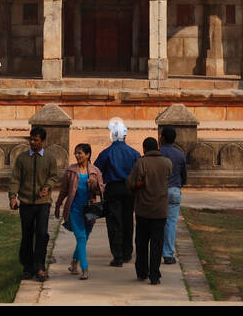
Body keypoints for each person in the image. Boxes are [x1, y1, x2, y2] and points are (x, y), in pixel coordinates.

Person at [9, 126, 59, 282]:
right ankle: (27, 267)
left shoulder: (50, 158)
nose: (32, 142)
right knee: (27, 236)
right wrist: (12, 196)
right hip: (25, 203)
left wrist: (47, 186)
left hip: (43, 203)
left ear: (43, 141)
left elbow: (53, 176)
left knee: (42, 235)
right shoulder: (22, 158)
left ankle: (40, 267)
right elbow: (15, 178)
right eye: (31, 139)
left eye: (36, 140)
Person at [126, 136, 173, 285]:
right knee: (157, 244)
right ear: (158, 147)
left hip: (143, 210)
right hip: (160, 209)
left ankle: (142, 272)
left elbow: (131, 184)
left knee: (141, 242)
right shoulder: (167, 163)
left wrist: (138, 185)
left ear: (144, 148)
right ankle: (155, 275)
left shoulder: (141, 163)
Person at [93, 118, 140, 267]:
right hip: (129, 190)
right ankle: (127, 253)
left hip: (112, 189)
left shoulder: (106, 153)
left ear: (112, 135)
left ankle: (117, 255)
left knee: (114, 221)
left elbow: (95, 171)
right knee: (127, 220)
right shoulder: (134, 153)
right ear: (125, 136)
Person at [54, 142, 104, 279]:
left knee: (84, 239)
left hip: (89, 210)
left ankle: (74, 263)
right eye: (76, 153)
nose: (77, 156)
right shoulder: (71, 171)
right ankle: (85, 269)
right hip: (74, 210)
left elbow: (101, 190)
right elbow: (64, 190)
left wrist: (94, 186)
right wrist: (58, 205)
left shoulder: (95, 171)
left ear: (87, 155)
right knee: (81, 237)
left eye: (80, 153)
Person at [158, 126, 187, 265]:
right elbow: (184, 177)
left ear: (162, 138)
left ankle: (156, 251)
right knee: (171, 223)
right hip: (174, 189)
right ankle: (168, 254)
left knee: (157, 222)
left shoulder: (158, 153)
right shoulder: (179, 154)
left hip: (159, 191)